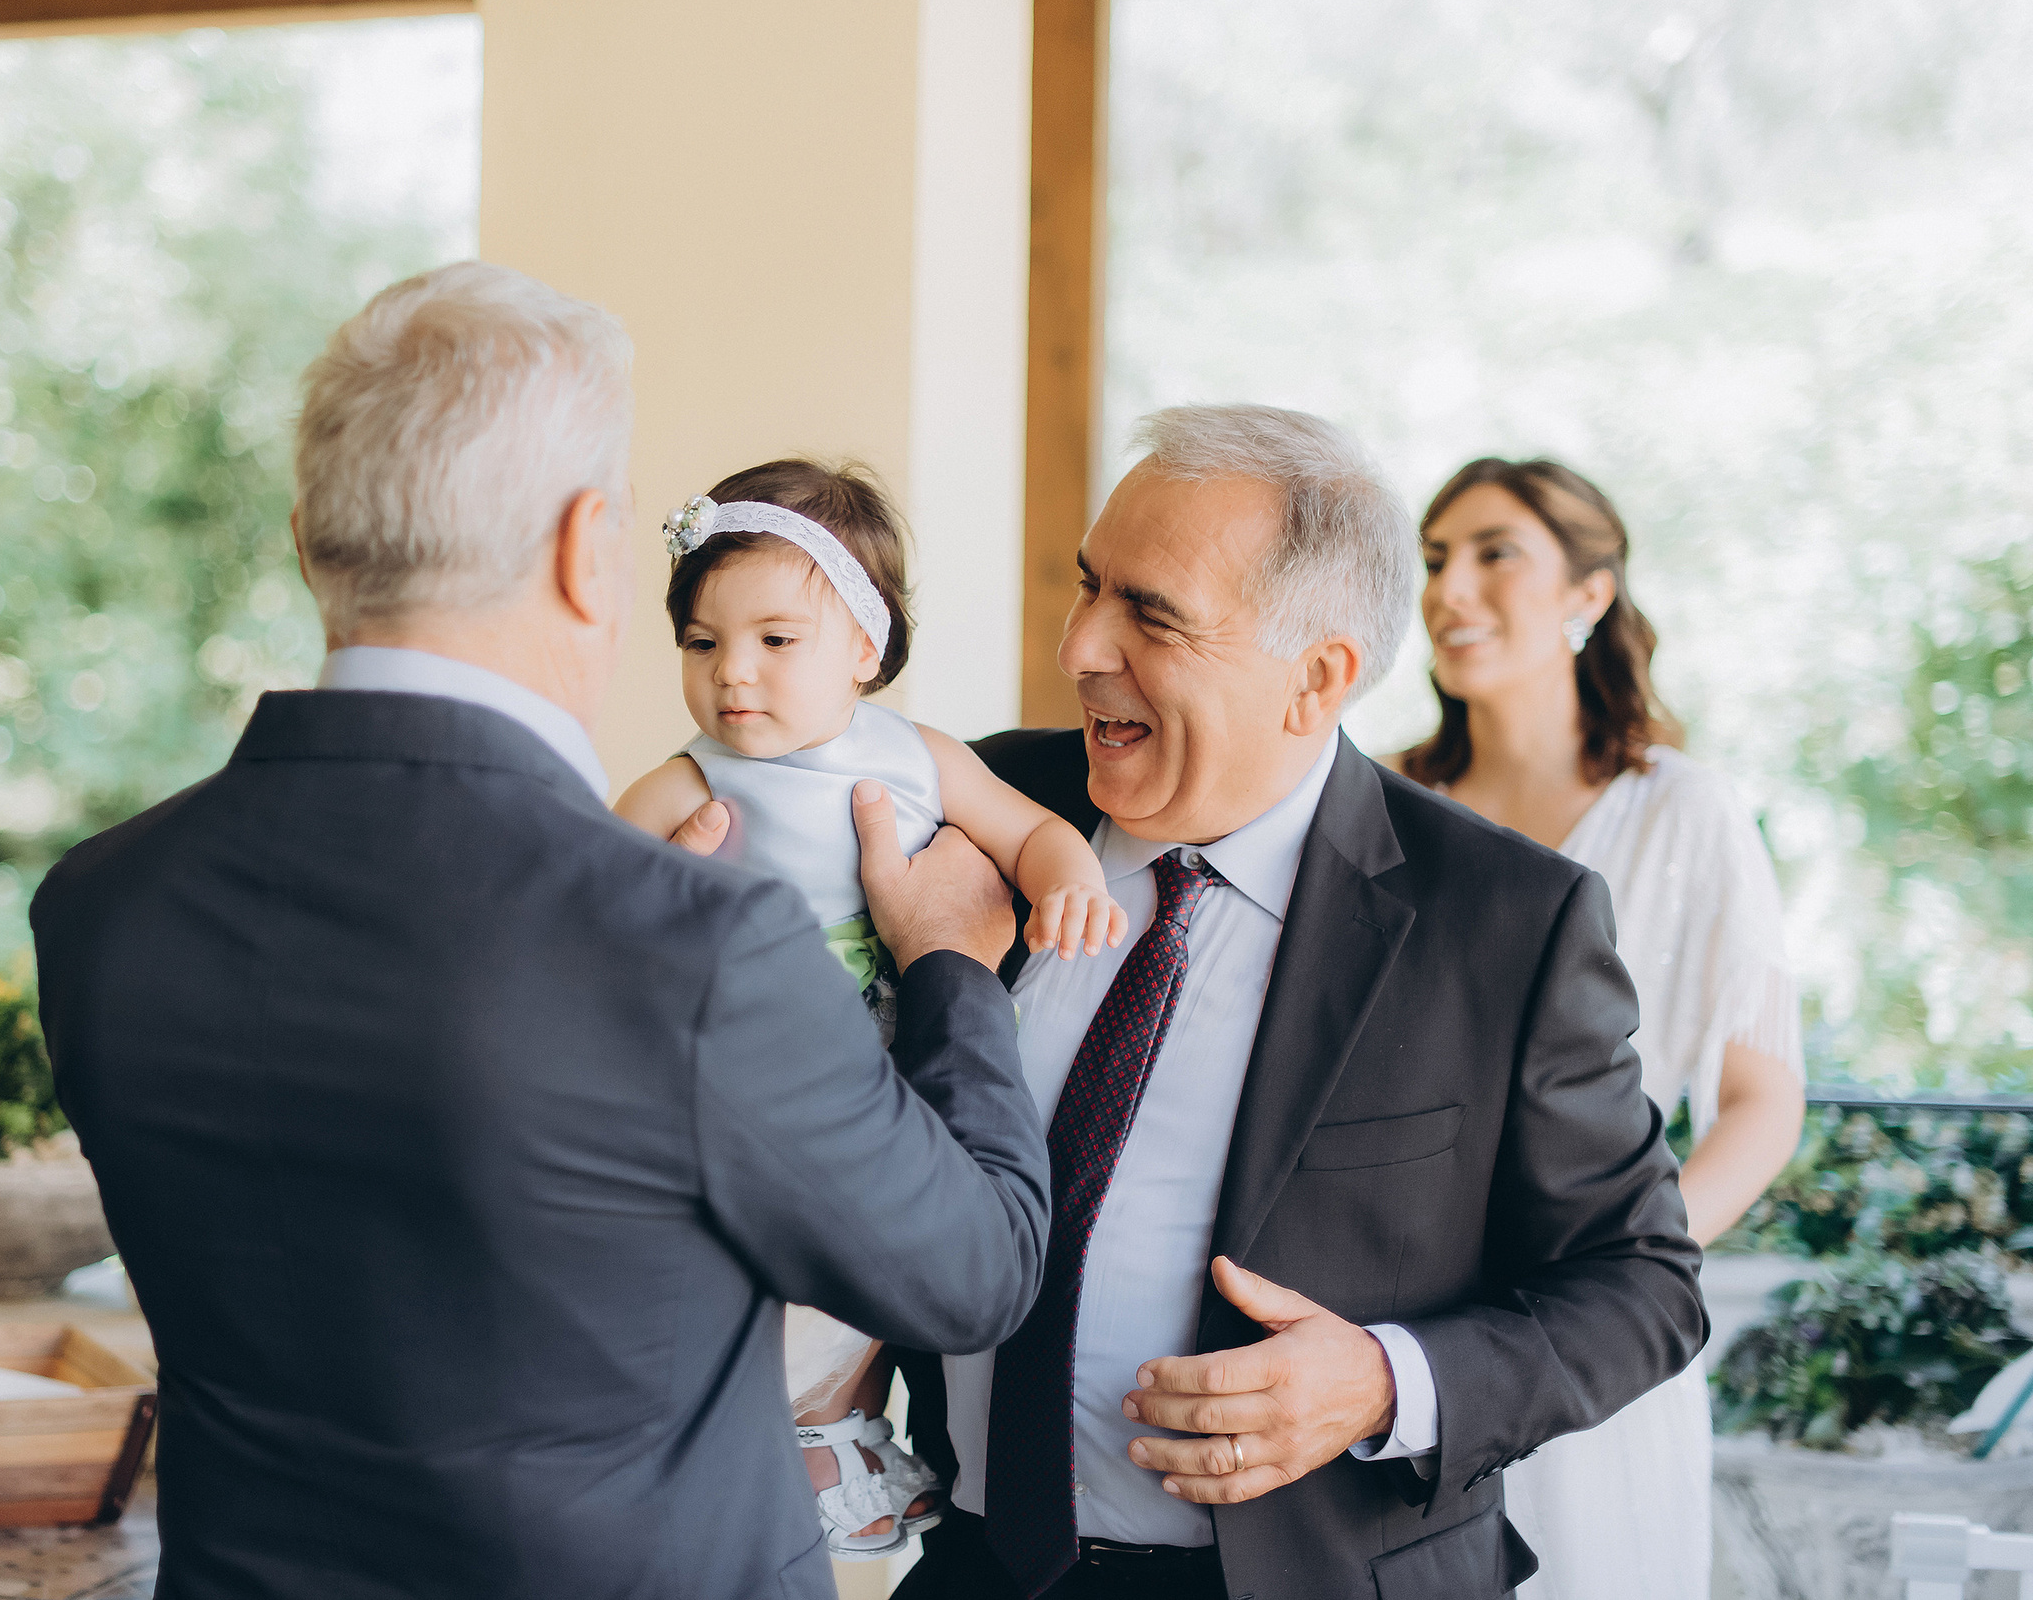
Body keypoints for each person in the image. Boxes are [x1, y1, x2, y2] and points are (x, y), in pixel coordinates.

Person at [28, 262, 1050, 1600]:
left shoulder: (104, 904)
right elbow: (972, 1270)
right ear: (588, 548)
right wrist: (954, 967)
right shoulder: (688, 941)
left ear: (306, 538)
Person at [870, 405, 1704, 1600]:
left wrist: (1383, 1378)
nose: (1082, 646)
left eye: (1151, 613)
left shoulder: (1508, 921)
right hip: (974, 1565)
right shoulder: (974, 809)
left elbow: (1641, 1284)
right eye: (1088, 585)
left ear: (1316, 677)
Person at [617, 458, 1125, 1561]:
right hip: (756, 1089)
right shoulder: (689, 780)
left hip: (900, 1076)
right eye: (701, 644)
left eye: (773, 640)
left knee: (885, 1279)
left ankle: (846, 1442)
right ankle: (786, 1446)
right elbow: (588, 893)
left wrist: (1069, 878)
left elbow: (1029, 831)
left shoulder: (918, 759)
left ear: (864, 642)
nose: (731, 674)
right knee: (766, 1277)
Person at [1400, 457, 1807, 1600]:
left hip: (1599, 1347)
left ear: (1589, 593)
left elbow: (1763, 1101)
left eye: (1493, 553)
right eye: (1434, 560)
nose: (1449, 588)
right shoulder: (1386, 805)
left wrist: (1622, 1273)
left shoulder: (1691, 810)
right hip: (1400, 1327)